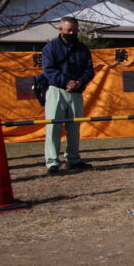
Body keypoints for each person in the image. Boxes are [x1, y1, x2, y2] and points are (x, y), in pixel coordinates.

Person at [42, 17, 95, 175]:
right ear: (61, 30)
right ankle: (52, 162)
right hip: (56, 90)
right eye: (69, 30)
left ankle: (73, 159)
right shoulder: (50, 48)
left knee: (74, 127)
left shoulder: (82, 48)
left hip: (76, 92)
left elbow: (89, 70)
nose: (72, 33)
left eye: (75, 30)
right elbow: (49, 70)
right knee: (53, 127)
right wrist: (66, 82)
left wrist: (78, 82)